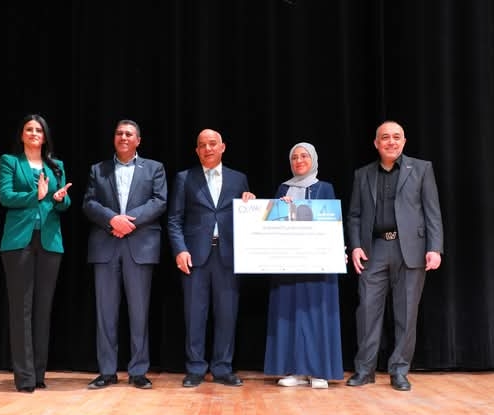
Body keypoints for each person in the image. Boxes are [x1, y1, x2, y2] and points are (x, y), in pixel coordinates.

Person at [345, 120, 444, 391]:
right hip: (374, 250)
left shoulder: (421, 169)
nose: (391, 142)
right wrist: (355, 246)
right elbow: (354, 216)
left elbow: (432, 211)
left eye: (397, 137)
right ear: (376, 143)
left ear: (404, 141)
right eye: (385, 137)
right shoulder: (363, 174)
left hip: (410, 250)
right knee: (367, 312)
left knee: (406, 314)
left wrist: (435, 248)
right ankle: (364, 370)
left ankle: (399, 371)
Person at [82, 119, 167, 390]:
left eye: (129, 134)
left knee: (139, 313)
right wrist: (112, 220)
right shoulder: (98, 169)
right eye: (119, 133)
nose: (124, 137)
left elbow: (159, 201)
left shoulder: (154, 168)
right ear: (114, 138)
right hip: (106, 246)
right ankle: (107, 372)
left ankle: (138, 371)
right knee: (105, 313)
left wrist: (128, 221)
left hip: (139, 246)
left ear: (138, 140)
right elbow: (89, 203)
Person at [167, 128, 255, 388]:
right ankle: (195, 368)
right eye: (202, 145)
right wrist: (180, 249)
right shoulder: (184, 178)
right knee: (195, 315)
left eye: (212, 143)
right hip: (194, 257)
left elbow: (247, 216)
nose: (208, 148)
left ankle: (222, 368)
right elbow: (174, 219)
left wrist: (250, 201)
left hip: (228, 256)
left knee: (227, 314)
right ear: (196, 150)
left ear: (222, 147)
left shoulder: (239, 179)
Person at [0, 113, 73, 393]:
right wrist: (36, 196)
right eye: (29, 129)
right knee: (22, 310)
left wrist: (60, 199)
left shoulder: (56, 166)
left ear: (44, 136)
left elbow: (64, 203)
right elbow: (5, 196)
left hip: (50, 241)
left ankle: (39, 374)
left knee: (43, 309)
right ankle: (24, 377)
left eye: (38, 130)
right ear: (22, 135)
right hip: (18, 242)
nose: (33, 134)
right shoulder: (10, 162)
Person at [263, 142, 344, 389]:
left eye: (304, 156)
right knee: (290, 316)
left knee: (316, 314)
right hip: (288, 265)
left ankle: (319, 372)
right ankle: (295, 371)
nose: (299, 161)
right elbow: (270, 224)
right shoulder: (283, 188)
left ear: (314, 159)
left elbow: (332, 223)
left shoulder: (324, 188)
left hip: (318, 265)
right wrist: (279, 208)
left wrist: (337, 249)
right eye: (294, 157)